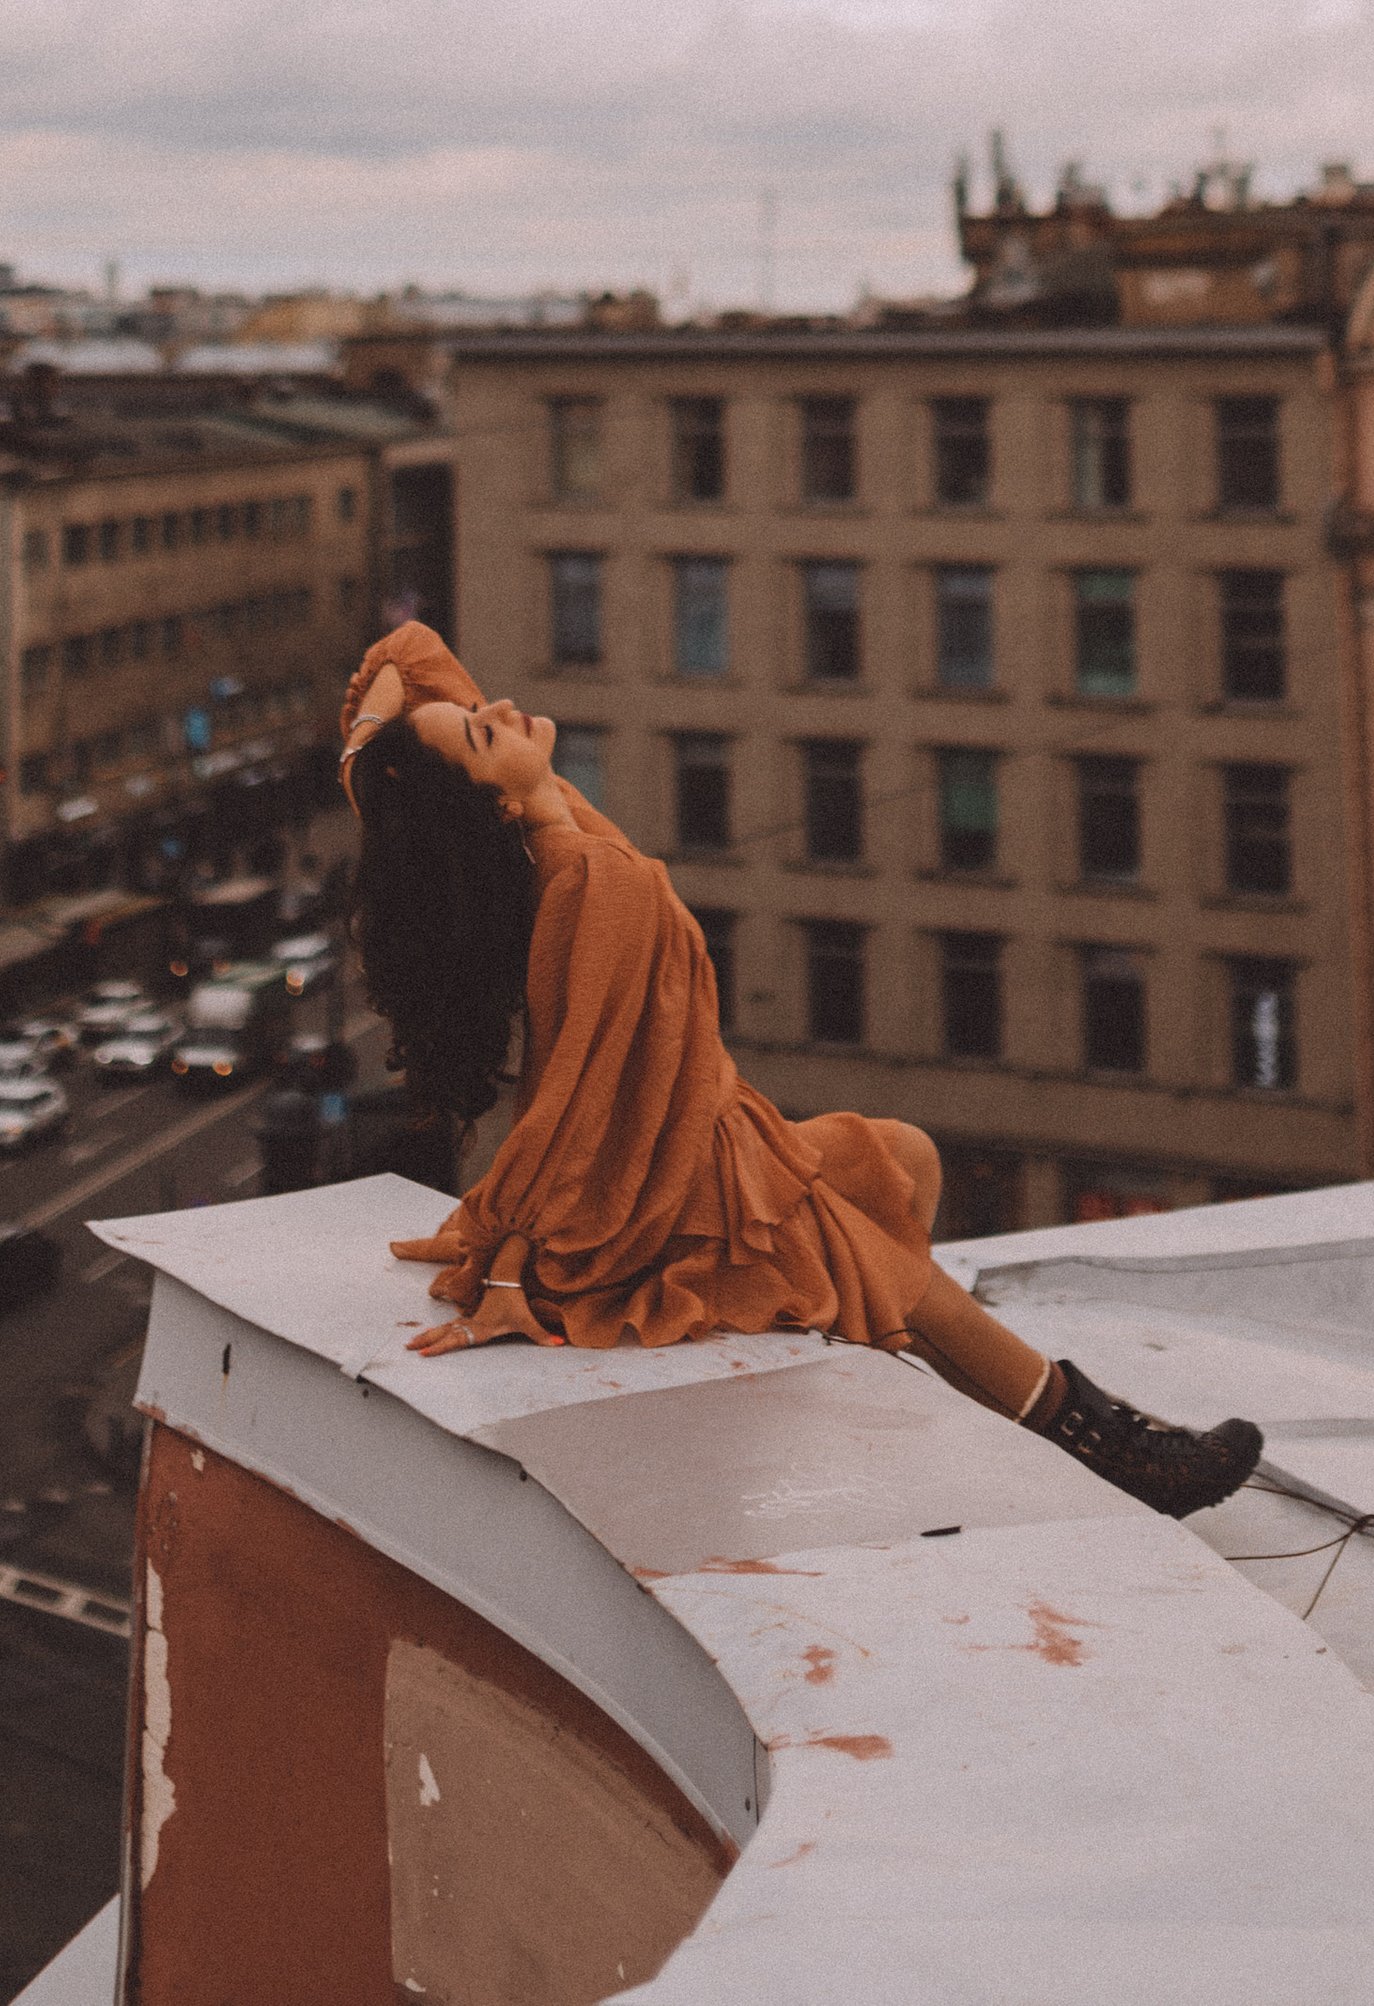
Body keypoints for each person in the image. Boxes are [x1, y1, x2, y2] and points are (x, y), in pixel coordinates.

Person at [342, 621, 1262, 1522]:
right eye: (482, 731)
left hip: (720, 1141)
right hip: (680, 1184)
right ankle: (1113, 1452)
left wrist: (372, 740)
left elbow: (412, 655)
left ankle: (896, 1375)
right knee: (900, 1278)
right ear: (494, 803)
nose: (499, 706)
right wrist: (511, 1268)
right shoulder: (590, 878)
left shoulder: (549, 818)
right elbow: (572, 1092)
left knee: (900, 1156)